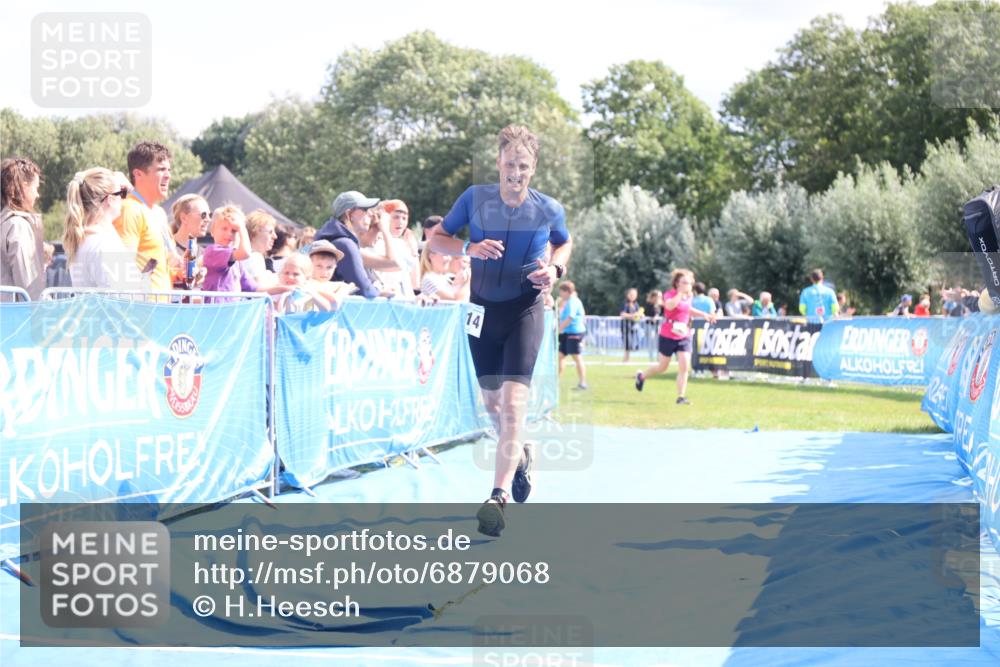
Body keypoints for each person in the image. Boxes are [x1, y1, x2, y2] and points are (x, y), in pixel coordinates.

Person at [429, 124, 572, 537]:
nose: (515, 172)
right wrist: (467, 249)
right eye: (510, 164)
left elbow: (565, 242)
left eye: (523, 166)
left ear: (534, 167)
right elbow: (437, 240)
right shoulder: (474, 199)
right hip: (481, 313)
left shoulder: (548, 209)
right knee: (492, 407)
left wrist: (556, 268)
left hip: (525, 311)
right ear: (498, 162)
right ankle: (522, 452)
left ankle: (497, 496)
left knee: (512, 407)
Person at [635, 269, 715, 404]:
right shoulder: (669, 294)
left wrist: (704, 315)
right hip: (668, 333)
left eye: (689, 283)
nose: (688, 285)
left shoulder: (689, 297)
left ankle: (681, 397)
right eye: (685, 282)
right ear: (677, 283)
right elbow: (670, 306)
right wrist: (680, 293)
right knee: (662, 367)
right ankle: (641, 377)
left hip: (683, 334)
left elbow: (687, 309)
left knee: (684, 366)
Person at [63, 168, 142, 289]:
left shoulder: (86, 239)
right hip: (114, 308)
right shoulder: (103, 245)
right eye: (121, 194)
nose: (123, 198)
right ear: (110, 200)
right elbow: (124, 297)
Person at [114, 141, 172, 292]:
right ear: (138, 174)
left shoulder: (159, 213)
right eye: (161, 170)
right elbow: (123, 268)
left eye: (169, 170)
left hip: (163, 307)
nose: (168, 176)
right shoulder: (129, 210)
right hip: (143, 309)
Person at [315, 191, 395, 299]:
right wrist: (377, 291)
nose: (371, 214)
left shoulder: (336, 240)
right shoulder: (345, 244)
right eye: (365, 209)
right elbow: (364, 289)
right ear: (349, 214)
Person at [1, 157, 45, 300]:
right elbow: (28, 284)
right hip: (17, 316)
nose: (37, 195)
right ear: (24, 186)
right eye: (36, 188)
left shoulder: (5, 223)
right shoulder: (18, 226)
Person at [202, 204, 257, 301]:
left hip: (230, 312)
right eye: (224, 228)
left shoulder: (237, 261)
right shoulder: (212, 251)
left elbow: (253, 288)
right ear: (212, 231)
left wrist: (282, 288)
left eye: (234, 231)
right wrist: (242, 228)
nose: (229, 234)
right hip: (215, 312)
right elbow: (246, 253)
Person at [170, 194, 211, 289]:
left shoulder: (205, 253)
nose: (208, 219)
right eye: (203, 214)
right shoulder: (166, 247)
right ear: (184, 218)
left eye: (210, 215)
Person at [557, 280, 587, 390]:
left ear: (567, 291)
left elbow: (570, 317)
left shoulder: (573, 301)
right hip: (567, 333)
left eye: (561, 292)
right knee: (560, 356)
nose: (560, 294)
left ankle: (582, 383)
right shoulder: (569, 301)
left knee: (577, 357)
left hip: (574, 332)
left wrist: (559, 329)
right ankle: (556, 382)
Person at [306, 239, 355, 306]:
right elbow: (335, 300)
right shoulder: (305, 284)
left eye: (329, 267)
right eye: (319, 266)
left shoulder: (338, 285)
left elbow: (350, 286)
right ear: (308, 265)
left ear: (335, 267)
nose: (324, 272)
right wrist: (345, 290)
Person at [245, 210, 278, 286]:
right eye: (270, 232)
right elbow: (260, 288)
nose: (275, 236)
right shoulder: (255, 257)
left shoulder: (242, 256)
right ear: (254, 234)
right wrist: (274, 278)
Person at [620, 287, 643, 362]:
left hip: (634, 327)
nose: (633, 296)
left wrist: (641, 315)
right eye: (631, 294)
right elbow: (622, 314)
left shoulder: (636, 304)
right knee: (627, 344)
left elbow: (639, 313)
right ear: (627, 295)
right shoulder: (625, 303)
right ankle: (625, 360)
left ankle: (627, 360)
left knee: (633, 343)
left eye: (634, 294)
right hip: (626, 327)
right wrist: (633, 316)